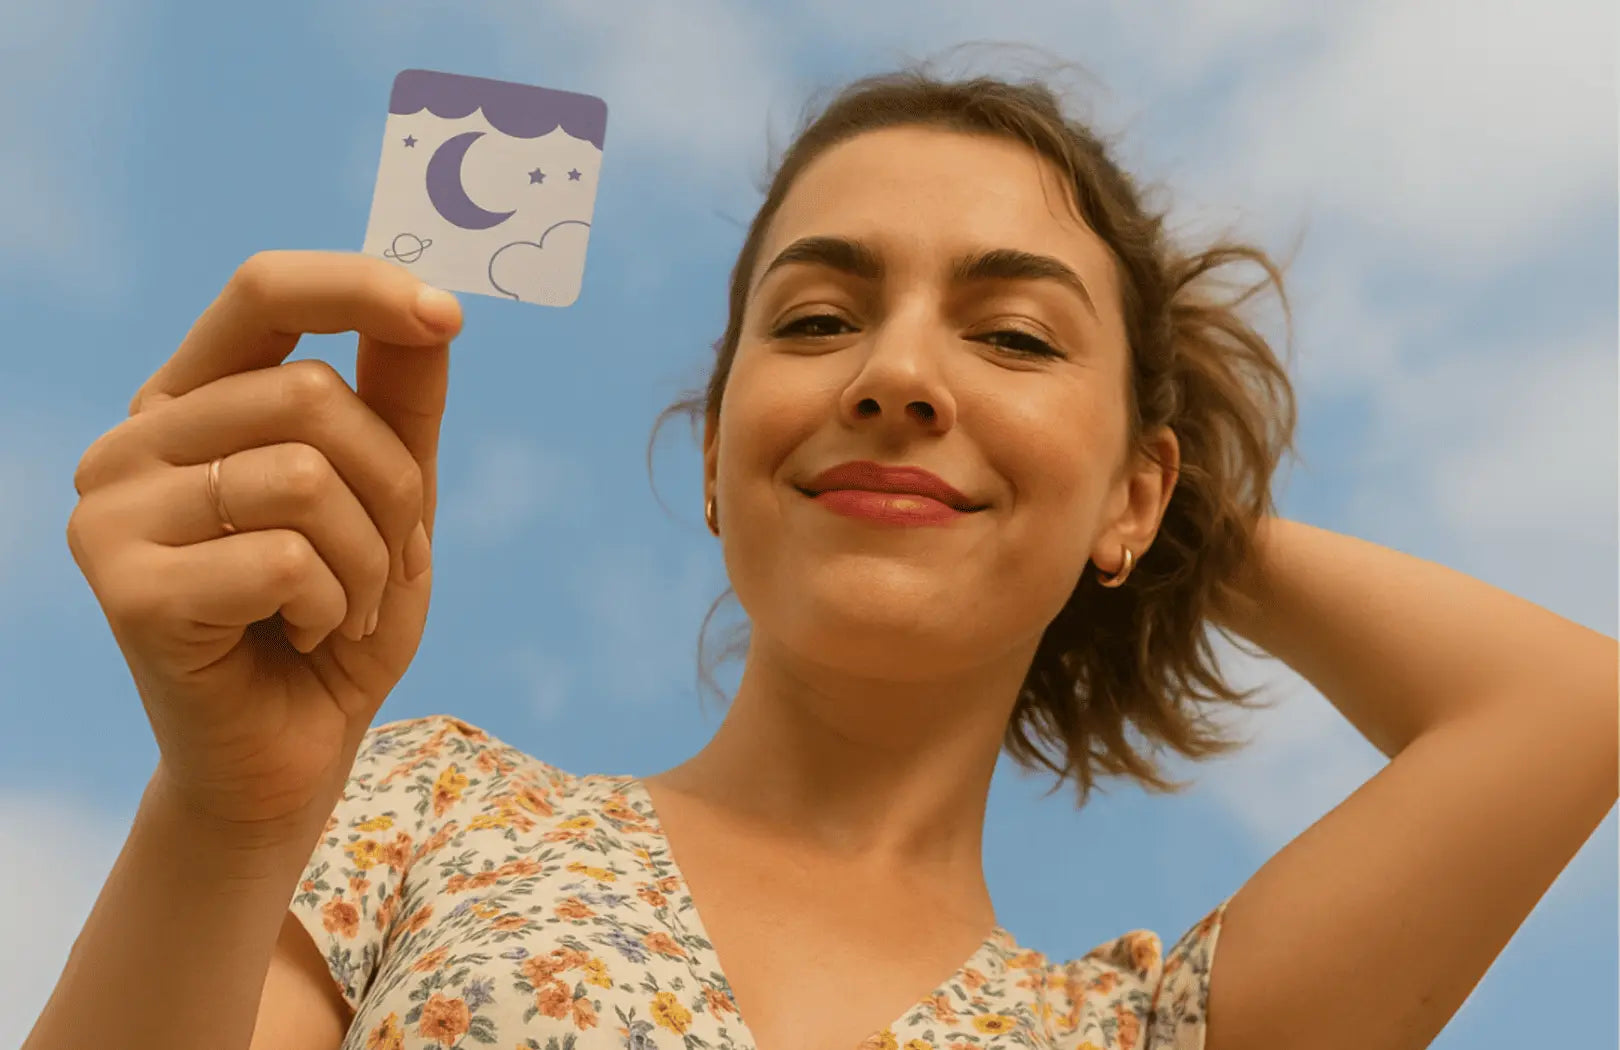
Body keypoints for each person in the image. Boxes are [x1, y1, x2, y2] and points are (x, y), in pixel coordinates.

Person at [25, 65, 1618, 1050]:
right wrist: (222, 810)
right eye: (815, 321)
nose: (898, 375)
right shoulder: (424, 810)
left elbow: (1568, 707)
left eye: (1009, 332)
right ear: (723, 459)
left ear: (1142, 496)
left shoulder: (1140, 1033)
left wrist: (1126, 488)